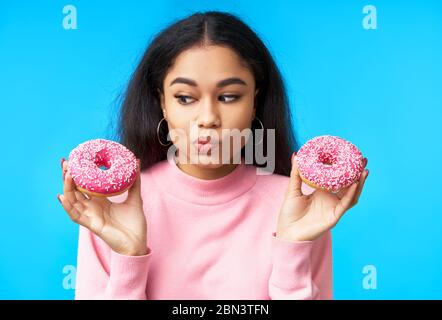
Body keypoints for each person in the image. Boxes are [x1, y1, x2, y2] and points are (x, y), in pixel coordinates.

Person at [57, 11, 369, 300]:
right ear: (162, 102)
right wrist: (129, 255)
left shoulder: (300, 207)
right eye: (185, 98)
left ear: (255, 102)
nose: (208, 117)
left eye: (229, 96)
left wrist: (293, 248)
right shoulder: (111, 208)